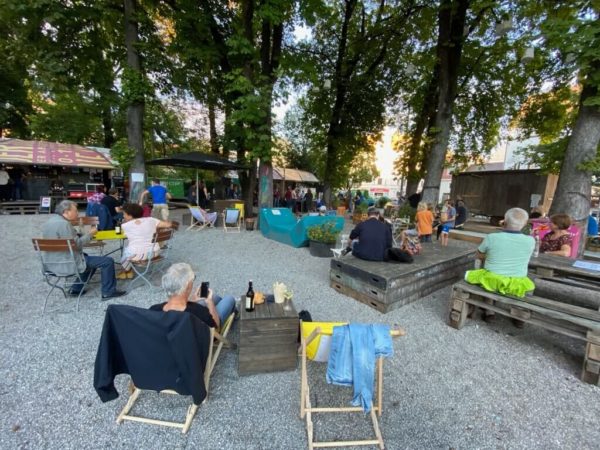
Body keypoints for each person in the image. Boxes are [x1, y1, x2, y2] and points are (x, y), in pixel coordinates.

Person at [42, 200, 126, 299]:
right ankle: (108, 292)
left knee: (90, 260)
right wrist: (91, 234)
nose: (77, 213)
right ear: (66, 212)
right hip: (68, 262)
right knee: (107, 261)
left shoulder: (50, 222)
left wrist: (78, 234)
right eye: (75, 211)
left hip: (51, 263)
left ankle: (76, 289)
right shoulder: (64, 224)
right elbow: (77, 245)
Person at [465, 207, 535, 324]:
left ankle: (489, 312)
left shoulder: (492, 237)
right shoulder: (531, 241)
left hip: (492, 280)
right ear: (524, 224)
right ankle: (518, 315)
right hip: (516, 283)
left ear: (504, 221)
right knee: (522, 286)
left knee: (485, 278)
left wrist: (492, 257)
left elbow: (479, 255)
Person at [150, 263, 236, 329]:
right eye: (193, 279)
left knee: (215, 298)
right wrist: (209, 303)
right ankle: (234, 312)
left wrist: (193, 300)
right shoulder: (197, 312)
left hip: (178, 338)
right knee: (229, 299)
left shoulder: (154, 310)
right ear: (187, 286)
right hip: (207, 337)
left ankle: (220, 305)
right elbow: (215, 327)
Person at [117, 203, 176, 279]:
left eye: (124, 214)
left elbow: (126, 235)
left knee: (126, 253)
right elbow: (168, 225)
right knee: (130, 250)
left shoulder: (125, 226)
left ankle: (126, 271)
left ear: (130, 215)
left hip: (139, 255)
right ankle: (127, 271)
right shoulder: (151, 220)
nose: (123, 216)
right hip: (155, 252)